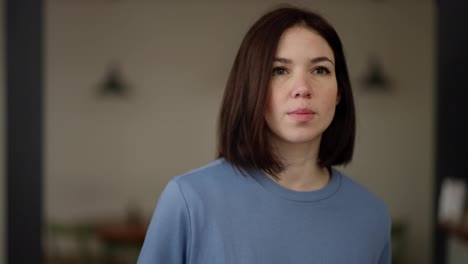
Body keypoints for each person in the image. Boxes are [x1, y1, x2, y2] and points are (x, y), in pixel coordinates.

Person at [138, 6, 391, 264]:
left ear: (339, 93)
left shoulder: (372, 216)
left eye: (320, 70)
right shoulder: (189, 201)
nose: (302, 88)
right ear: (251, 86)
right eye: (279, 70)